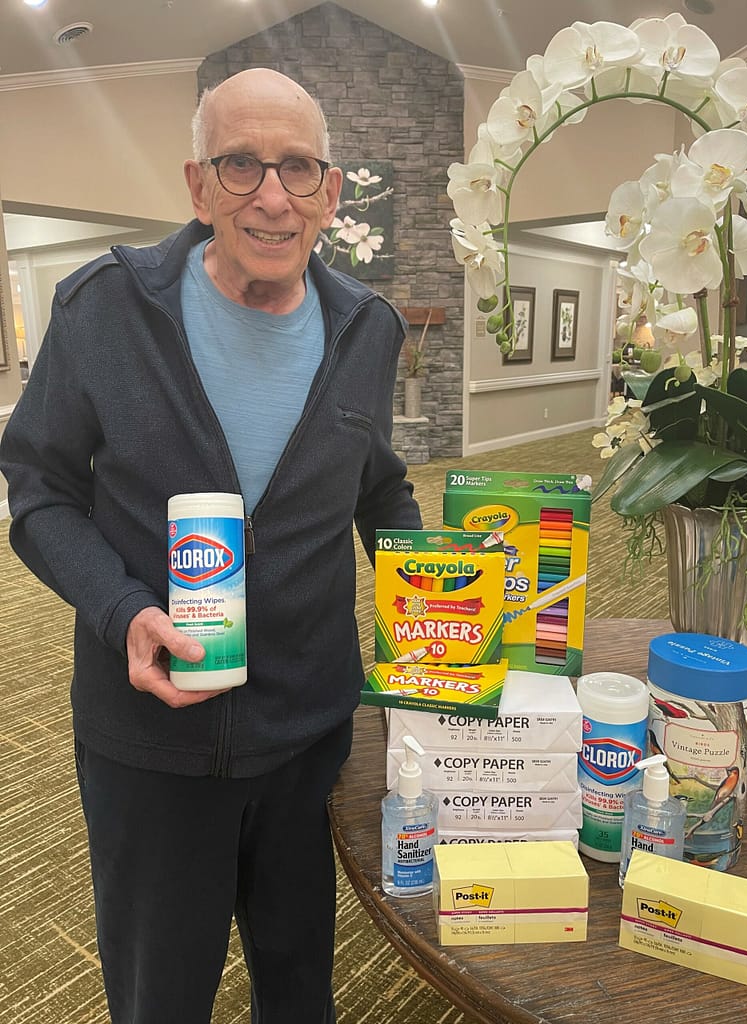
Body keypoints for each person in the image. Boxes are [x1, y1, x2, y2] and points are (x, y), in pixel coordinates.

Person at [0, 68, 421, 1024]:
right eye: (241, 165)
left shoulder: (368, 328)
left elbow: (379, 486)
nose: (272, 196)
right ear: (197, 185)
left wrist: (437, 600)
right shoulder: (104, 309)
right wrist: (122, 611)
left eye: (297, 168)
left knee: (300, 986)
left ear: (330, 192)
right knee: (161, 996)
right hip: (151, 739)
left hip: (308, 733)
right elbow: (40, 491)